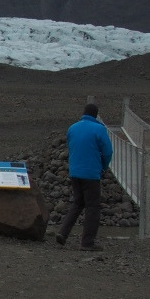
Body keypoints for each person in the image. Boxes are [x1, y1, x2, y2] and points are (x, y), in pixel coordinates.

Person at [56, 102, 113, 250]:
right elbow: (108, 152)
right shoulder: (99, 129)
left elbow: (71, 146)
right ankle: (87, 242)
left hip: (75, 172)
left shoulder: (72, 128)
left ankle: (63, 233)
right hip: (91, 173)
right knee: (92, 207)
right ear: (95, 115)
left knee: (78, 203)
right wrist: (104, 166)